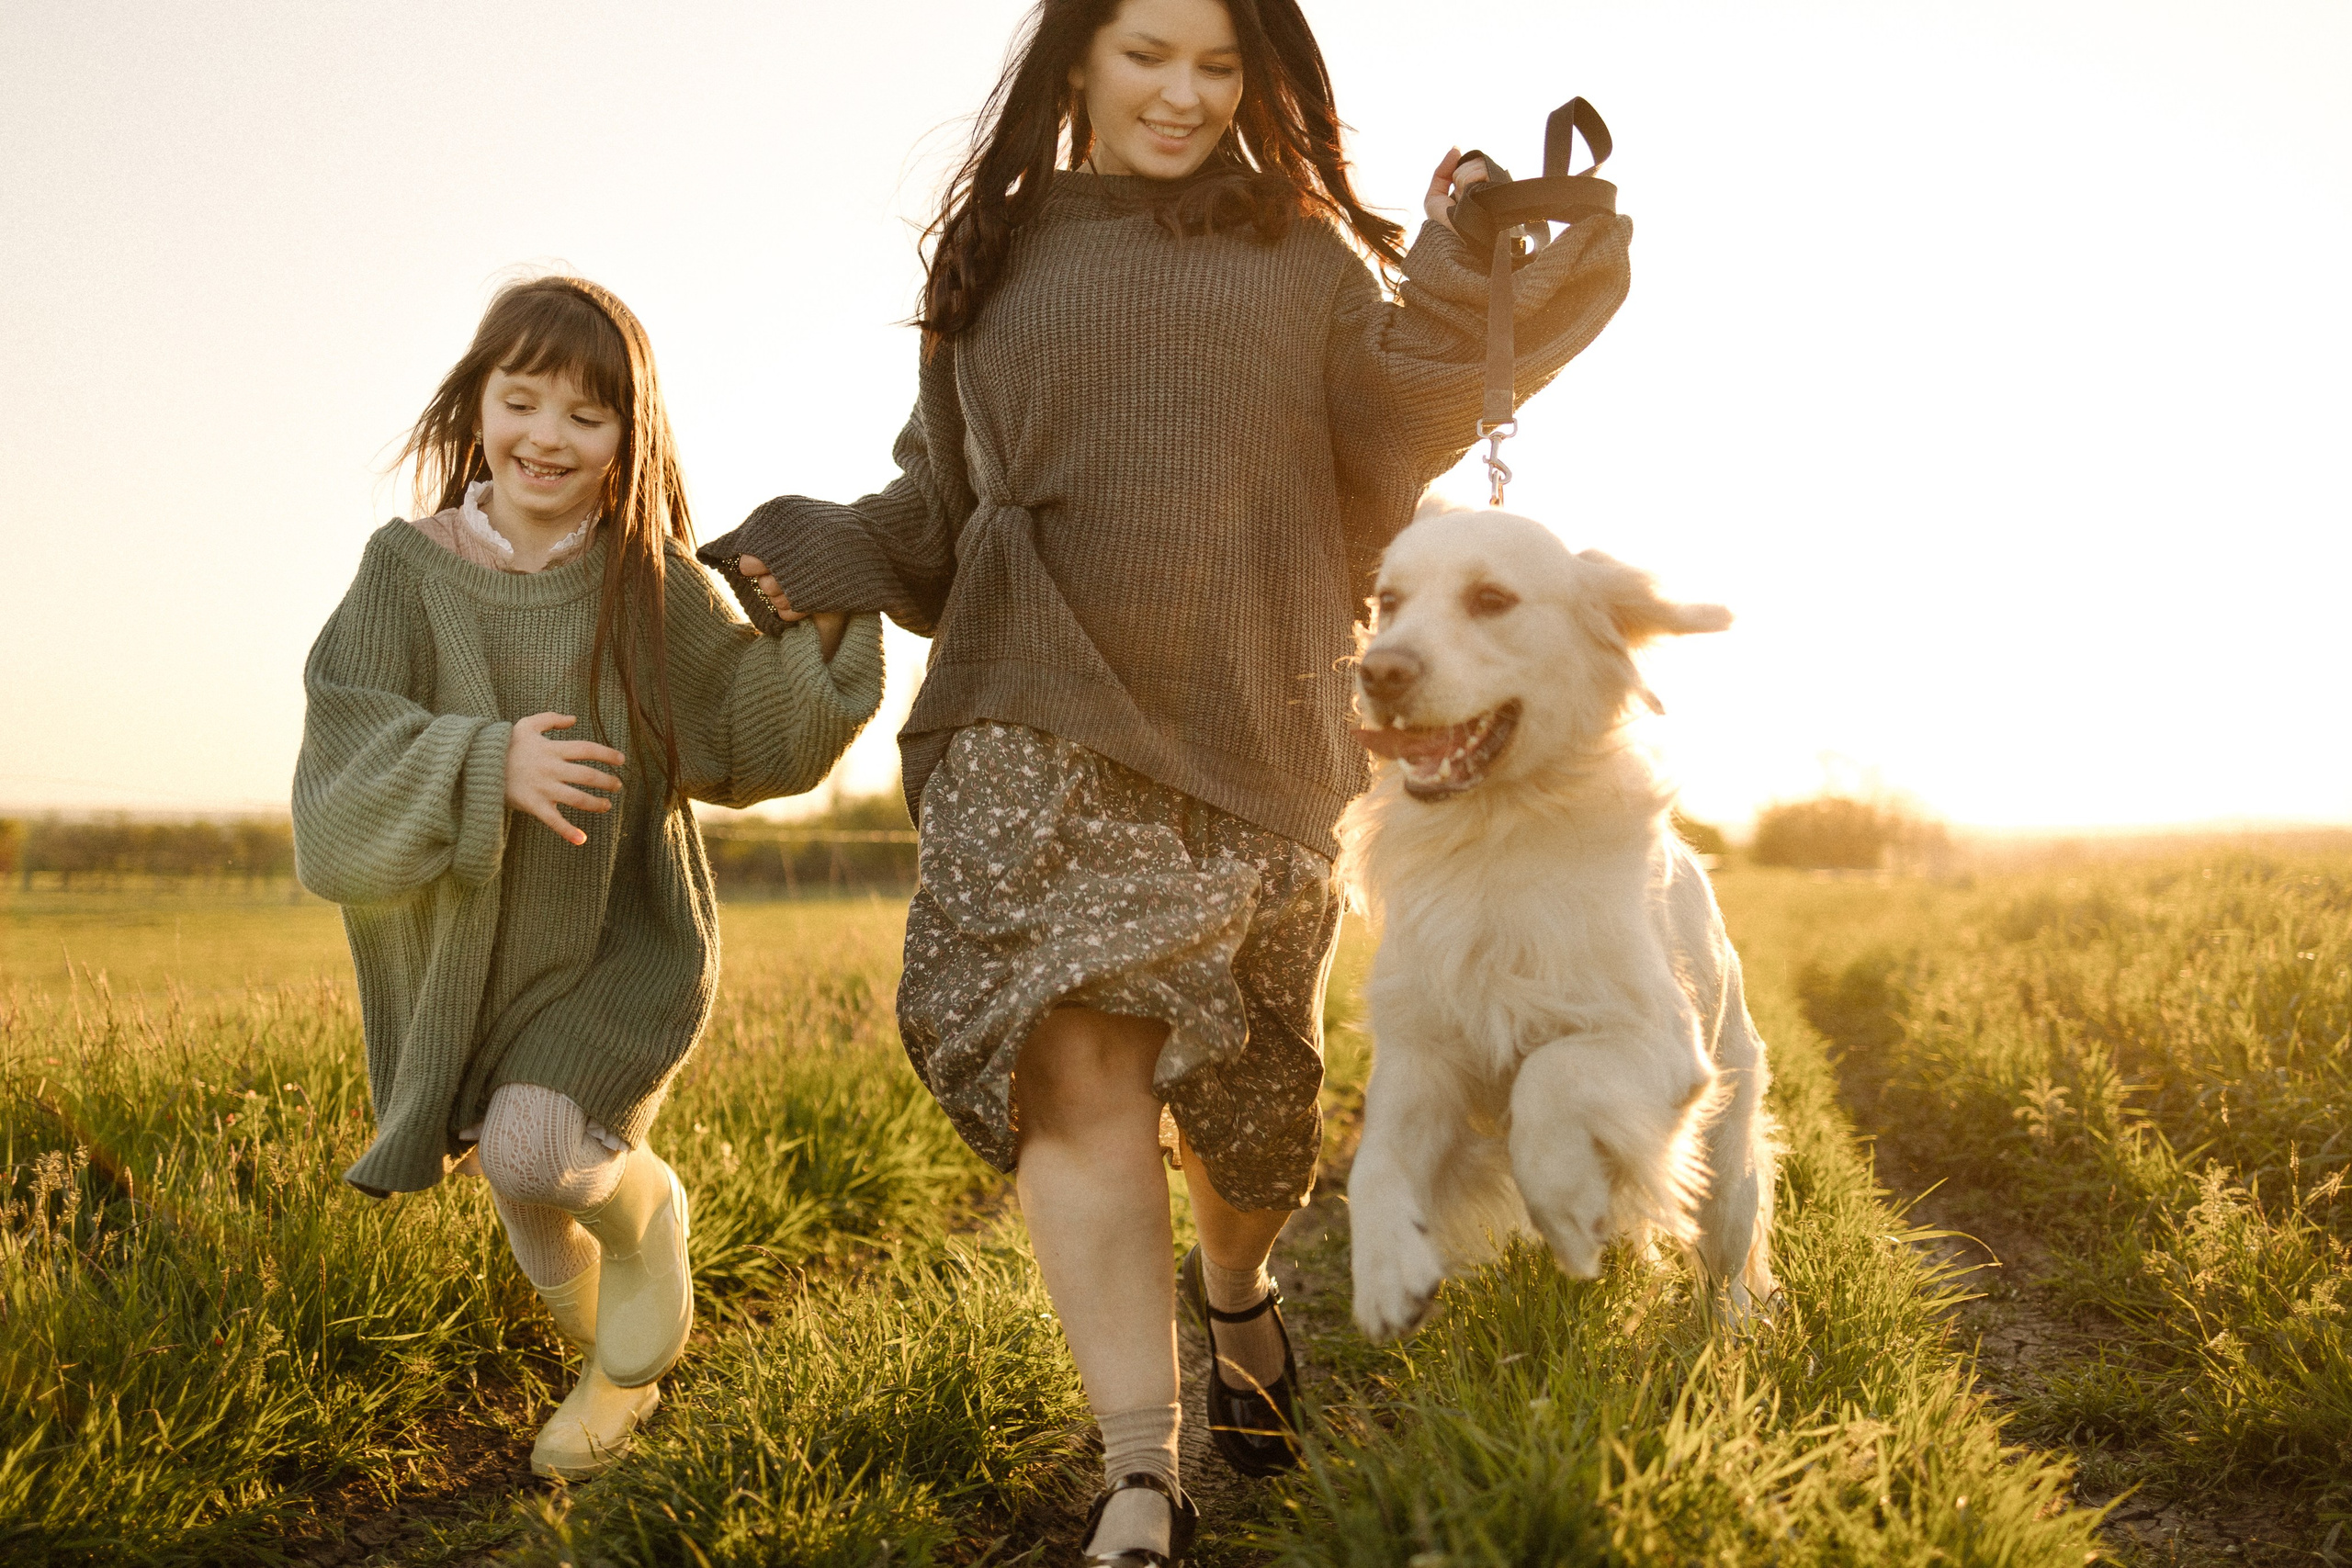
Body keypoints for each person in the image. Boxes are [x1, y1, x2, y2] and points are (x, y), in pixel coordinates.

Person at [705, 0, 1632, 1558]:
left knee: (1254, 1126)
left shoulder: (1303, 252)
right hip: (1032, 701)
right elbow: (940, 507)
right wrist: (806, 551)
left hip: (1260, 726)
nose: (1186, 95)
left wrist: (1465, 267)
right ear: (1077, 59)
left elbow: (1399, 421)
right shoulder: (988, 262)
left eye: (1220, 66)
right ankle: (1144, 1476)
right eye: (1150, 56)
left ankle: (1240, 1293)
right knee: (1078, 1065)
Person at [292, 276, 882, 1481]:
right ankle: (625, 1378)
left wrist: (820, 629)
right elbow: (340, 764)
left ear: (631, 438)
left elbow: (736, 730)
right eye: (523, 402)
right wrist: (479, 761)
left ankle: (650, 1224)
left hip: (622, 943)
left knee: (533, 1146)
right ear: (477, 408)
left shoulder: (645, 581)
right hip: (472, 955)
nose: (548, 437)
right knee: (523, 1196)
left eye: (587, 415)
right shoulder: (404, 572)